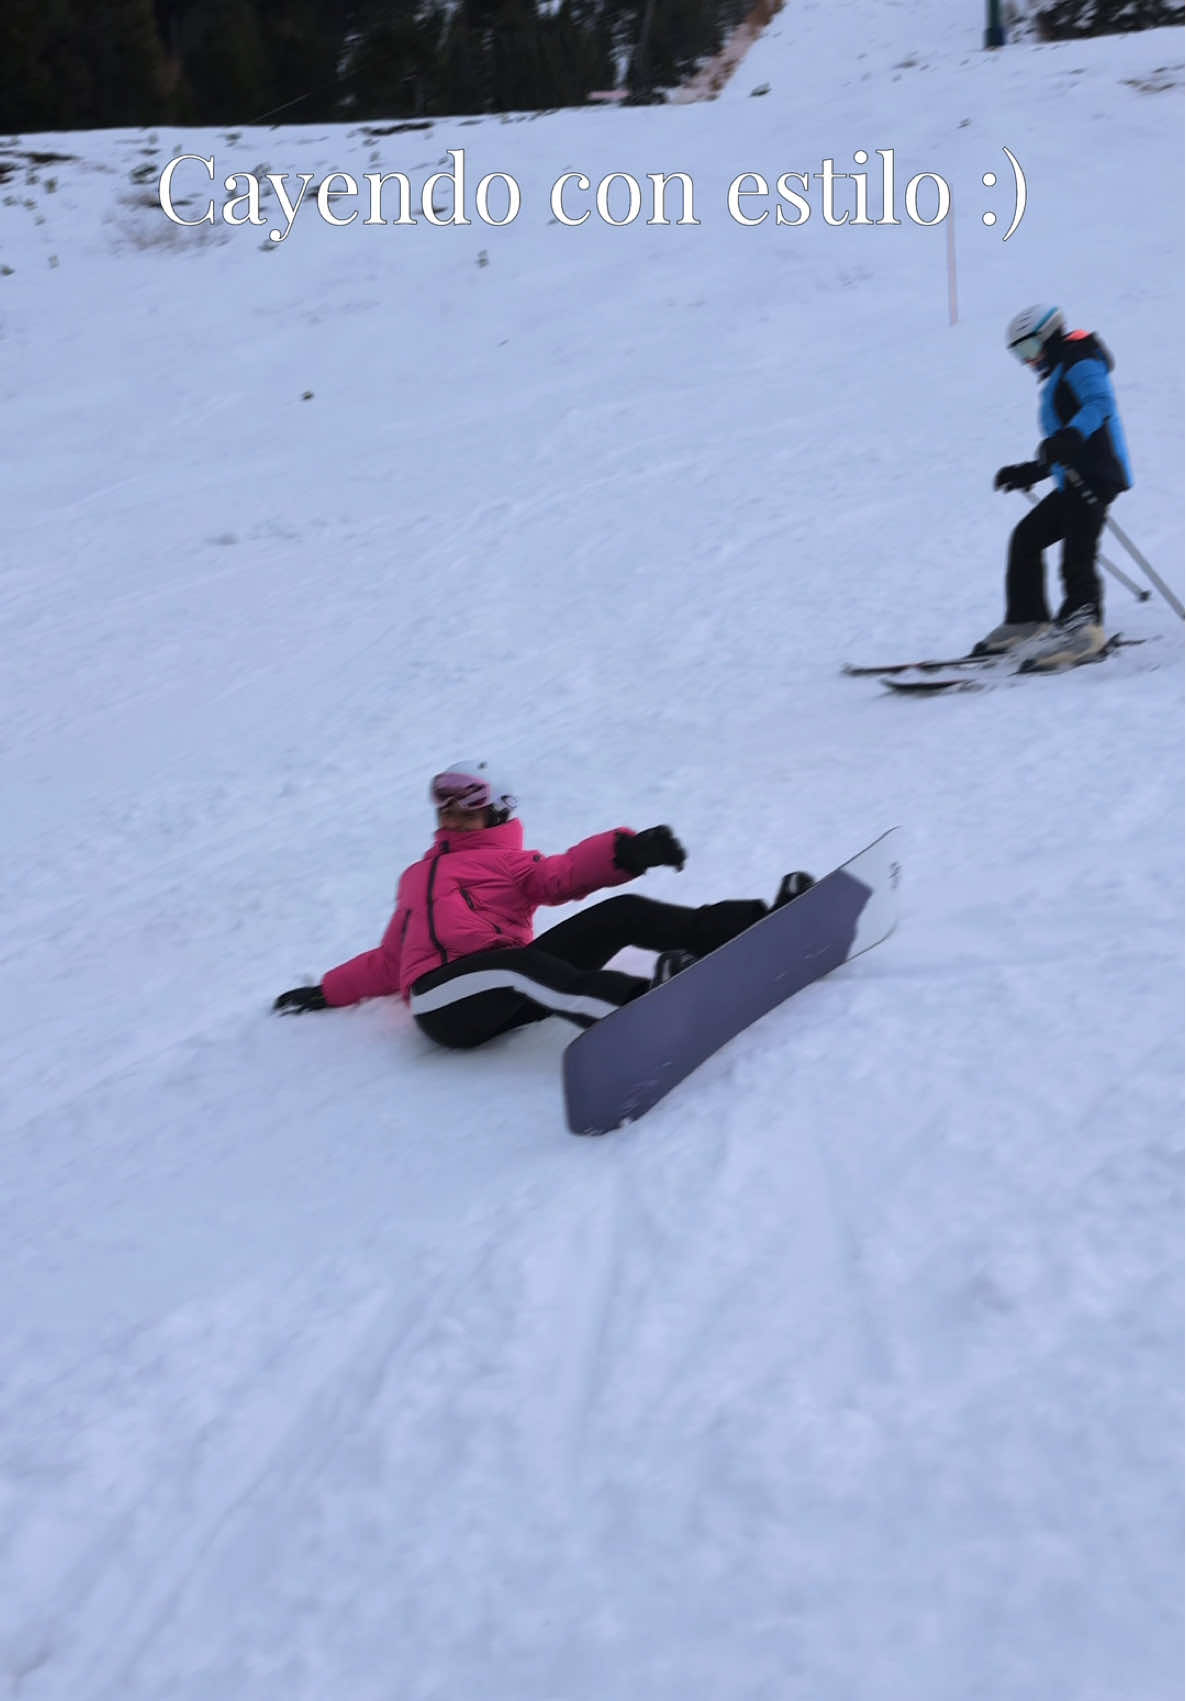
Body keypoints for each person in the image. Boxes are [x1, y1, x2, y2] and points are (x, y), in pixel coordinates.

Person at [273, 762, 815, 1050]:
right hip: (445, 1004)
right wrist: (327, 991)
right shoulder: (416, 879)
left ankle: (758, 923)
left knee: (618, 912)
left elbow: (562, 878)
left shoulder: (512, 865)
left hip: (515, 989)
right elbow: (390, 961)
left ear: (499, 813)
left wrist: (628, 852)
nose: (454, 820)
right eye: (447, 812)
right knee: (515, 965)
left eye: (469, 811)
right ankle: (636, 1006)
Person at [977, 304, 1133, 670]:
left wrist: (1071, 435)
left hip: (1096, 475)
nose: (1028, 361)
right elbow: (1063, 446)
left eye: (1029, 349)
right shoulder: (1060, 372)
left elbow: (1099, 403)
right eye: (1020, 355)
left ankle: (1084, 628)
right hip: (1075, 478)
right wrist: (1031, 471)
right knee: (1027, 537)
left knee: (1078, 552)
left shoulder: (1081, 358)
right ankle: (1027, 620)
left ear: (1048, 335)